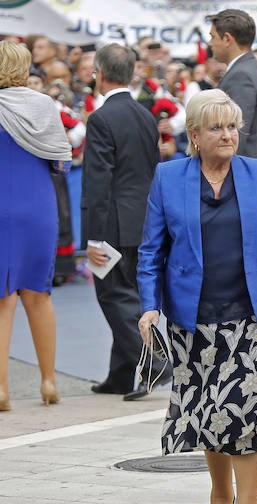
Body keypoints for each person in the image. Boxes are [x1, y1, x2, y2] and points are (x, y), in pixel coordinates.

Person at [137, 89, 257, 504]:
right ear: (194, 135)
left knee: (249, 411)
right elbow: (151, 251)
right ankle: (220, 493)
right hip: (193, 317)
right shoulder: (168, 178)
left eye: (231, 126)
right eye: (216, 128)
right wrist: (149, 306)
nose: (227, 135)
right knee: (211, 411)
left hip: (252, 315)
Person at [82, 43, 169, 400]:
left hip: (113, 223)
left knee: (114, 295)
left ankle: (154, 356)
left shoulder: (101, 119)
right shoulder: (146, 115)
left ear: (99, 74)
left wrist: (94, 238)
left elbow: (98, 181)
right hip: (144, 218)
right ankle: (120, 375)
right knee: (129, 293)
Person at [0, 40, 71, 412]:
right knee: (39, 295)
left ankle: (1, 388)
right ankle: (48, 381)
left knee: (2, 299)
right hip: (38, 207)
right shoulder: (43, 105)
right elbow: (62, 163)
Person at [207, 9, 257, 163]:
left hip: (241, 176)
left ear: (227, 39)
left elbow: (234, 137)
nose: (210, 43)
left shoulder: (241, 76)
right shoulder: (251, 68)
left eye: (213, 37)